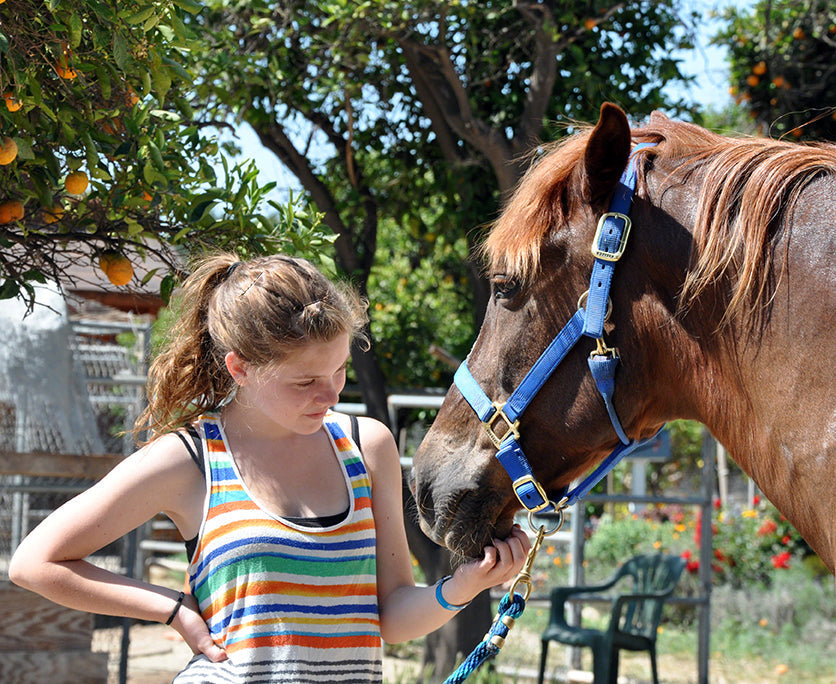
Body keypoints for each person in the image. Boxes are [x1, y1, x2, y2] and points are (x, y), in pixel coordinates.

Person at [9, 253, 530, 683]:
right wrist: (172, 608)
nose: (331, 395)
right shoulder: (189, 459)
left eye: (340, 369)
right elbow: (36, 563)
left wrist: (463, 586)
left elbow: (389, 614)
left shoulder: (367, 445)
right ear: (240, 367)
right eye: (305, 382)